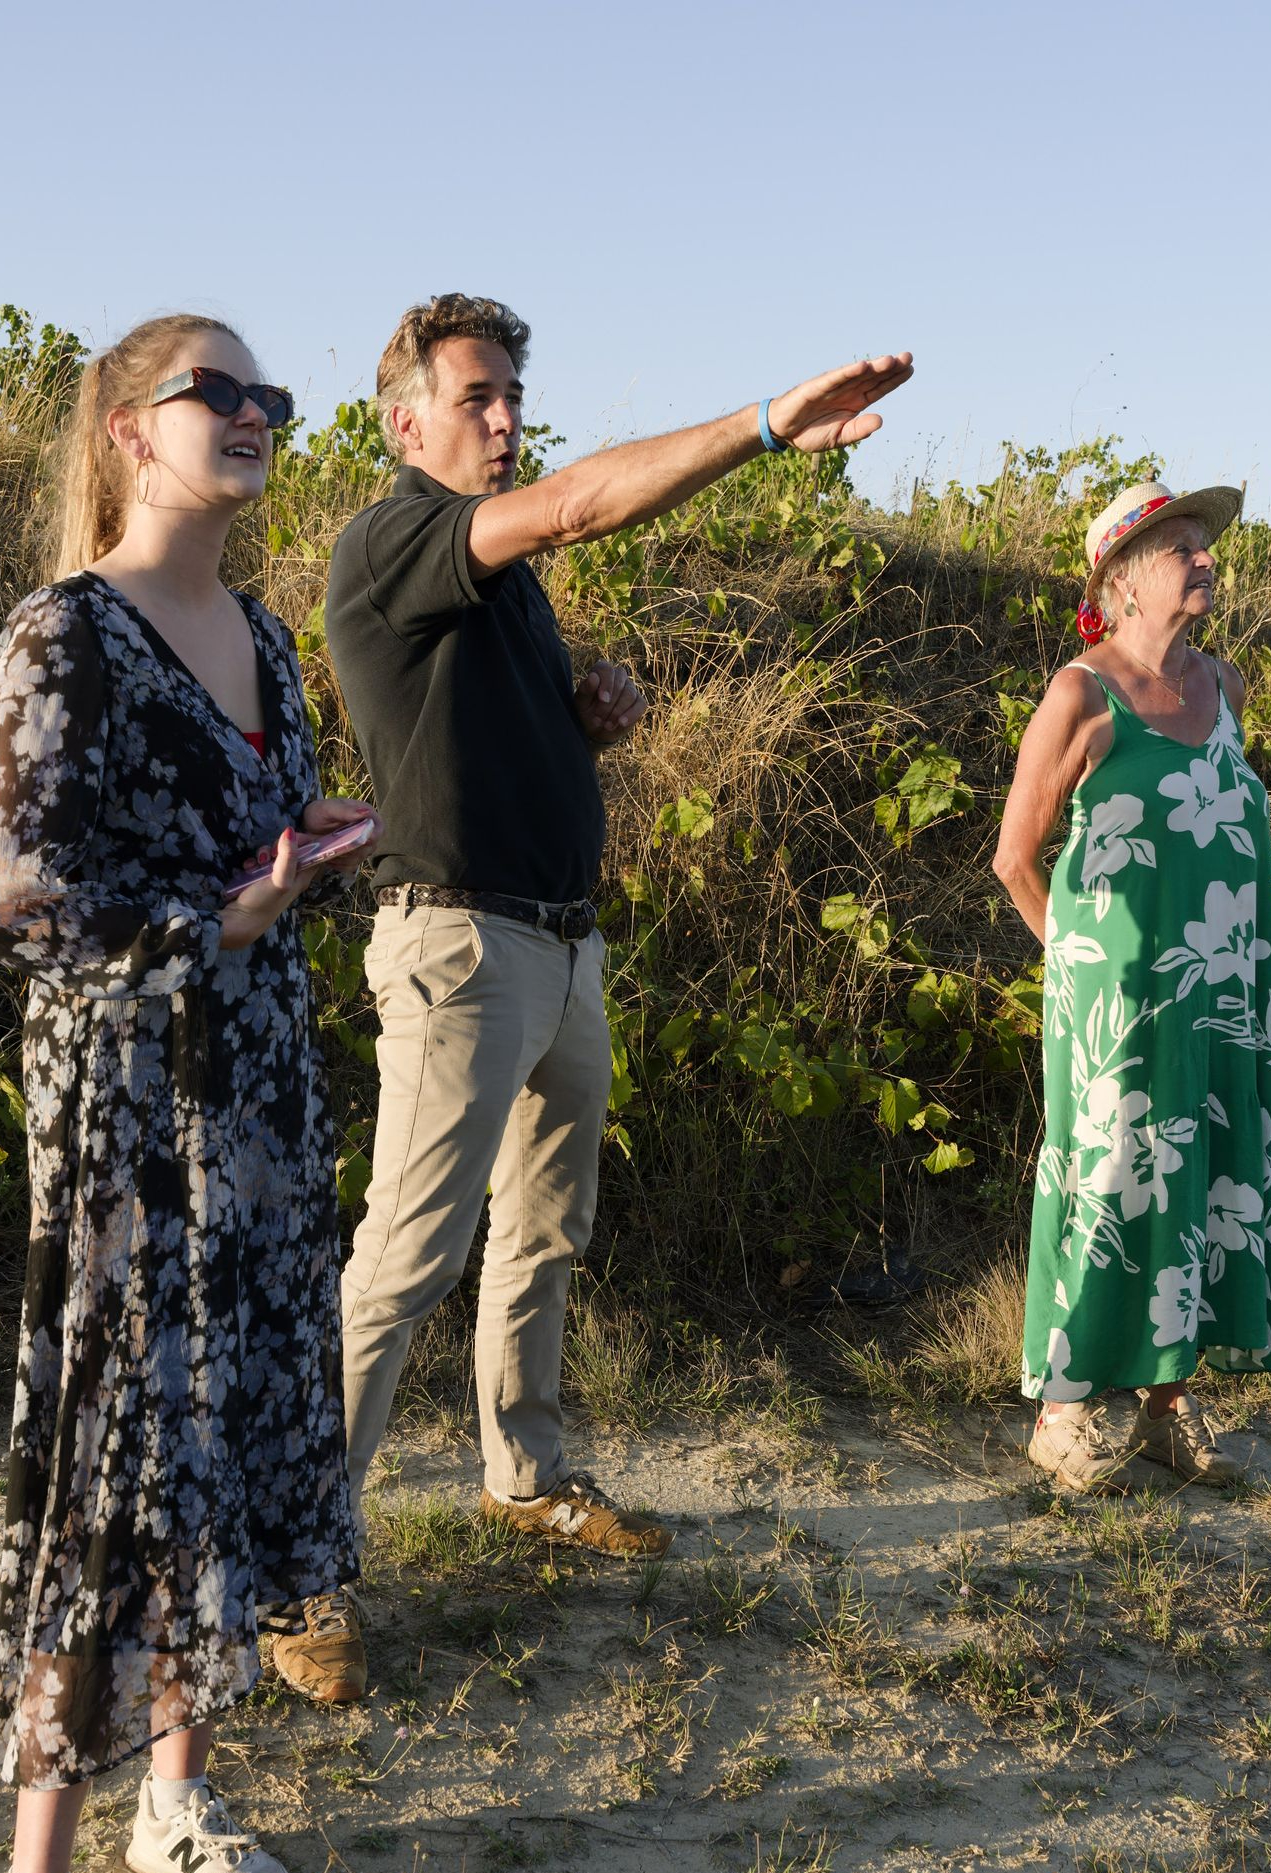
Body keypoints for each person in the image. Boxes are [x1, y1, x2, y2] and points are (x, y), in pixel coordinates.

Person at [268, 294, 912, 1705]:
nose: (505, 420)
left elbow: (497, 713)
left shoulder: (498, 585)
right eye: (479, 398)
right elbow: (571, 508)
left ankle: (528, 1475)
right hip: (456, 948)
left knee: (545, 1229)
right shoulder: (394, 540)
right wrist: (760, 428)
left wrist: (589, 709)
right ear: (406, 422)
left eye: (513, 397)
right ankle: (294, 1559)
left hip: (560, 946)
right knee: (406, 1258)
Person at [0, 313, 378, 1873]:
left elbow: (239, 848)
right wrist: (215, 918)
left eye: (269, 394)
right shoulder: (64, 633)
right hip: (130, 1114)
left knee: (220, 1441)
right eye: (222, 392)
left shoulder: (265, 639)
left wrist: (305, 847)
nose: (259, 412)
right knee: (114, 1459)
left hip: (257, 1093)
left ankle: (179, 1808)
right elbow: (4, 892)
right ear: (130, 431)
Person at [993, 479, 1271, 1497]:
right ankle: (1063, 1415)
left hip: (1228, 989)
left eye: (1206, 547)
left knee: (1208, 1168)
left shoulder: (1229, 687)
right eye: (1183, 550)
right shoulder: (1082, 694)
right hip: (1116, 1002)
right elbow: (1014, 859)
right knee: (1110, 1182)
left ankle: (1167, 1410)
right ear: (1120, 581)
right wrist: (1079, 965)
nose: (1206, 562)